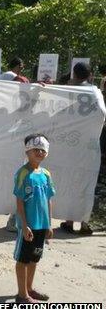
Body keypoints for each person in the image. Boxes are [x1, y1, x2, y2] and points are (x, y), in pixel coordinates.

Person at [13, 134, 55, 303]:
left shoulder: (46, 174)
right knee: (22, 259)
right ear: (27, 151)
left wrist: (49, 224)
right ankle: (22, 295)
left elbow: (49, 199)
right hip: (28, 226)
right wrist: (24, 225)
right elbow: (19, 201)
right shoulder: (23, 173)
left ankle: (29, 289)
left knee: (34, 258)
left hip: (42, 225)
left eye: (43, 150)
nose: (39, 152)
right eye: (35, 149)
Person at [59, 62, 94, 235]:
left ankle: (69, 221)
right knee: (87, 184)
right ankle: (85, 223)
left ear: (74, 73)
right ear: (89, 75)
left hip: (71, 146)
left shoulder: (69, 91)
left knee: (71, 183)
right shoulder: (95, 92)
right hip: (90, 147)